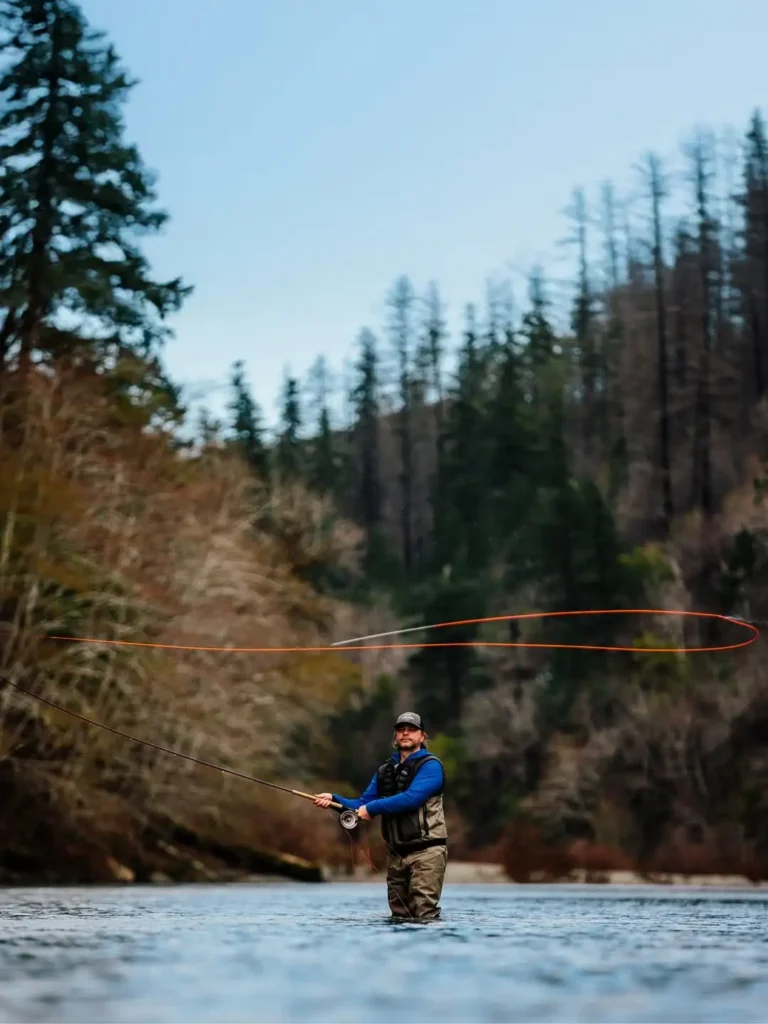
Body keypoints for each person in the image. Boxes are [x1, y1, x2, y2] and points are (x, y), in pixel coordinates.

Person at [314, 711, 447, 921]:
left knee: (425, 915)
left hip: (427, 852)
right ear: (395, 737)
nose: (405, 734)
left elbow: (410, 799)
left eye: (411, 730)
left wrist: (372, 808)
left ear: (422, 736)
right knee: (399, 917)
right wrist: (334, 800)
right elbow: (361, 805)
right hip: (396, 855)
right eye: (400, 730)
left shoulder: (431, 767)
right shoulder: (385, 770)